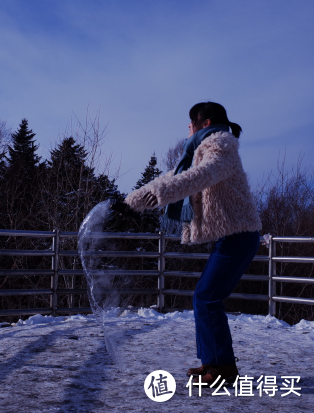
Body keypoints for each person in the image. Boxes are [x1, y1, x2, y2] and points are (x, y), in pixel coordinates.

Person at [124, 101, 262, 385]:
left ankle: (222, 369)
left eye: (190, 124)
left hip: (240, 237)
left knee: (206, 297)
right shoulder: (200, 151)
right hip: (231, 237)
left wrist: (159, 193)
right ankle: (213, 365)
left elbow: (198, 177)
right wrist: (133, 200)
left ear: (205, 123)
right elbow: (175, 176)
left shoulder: (222, 148)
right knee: (204, 296)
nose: (187, 129)